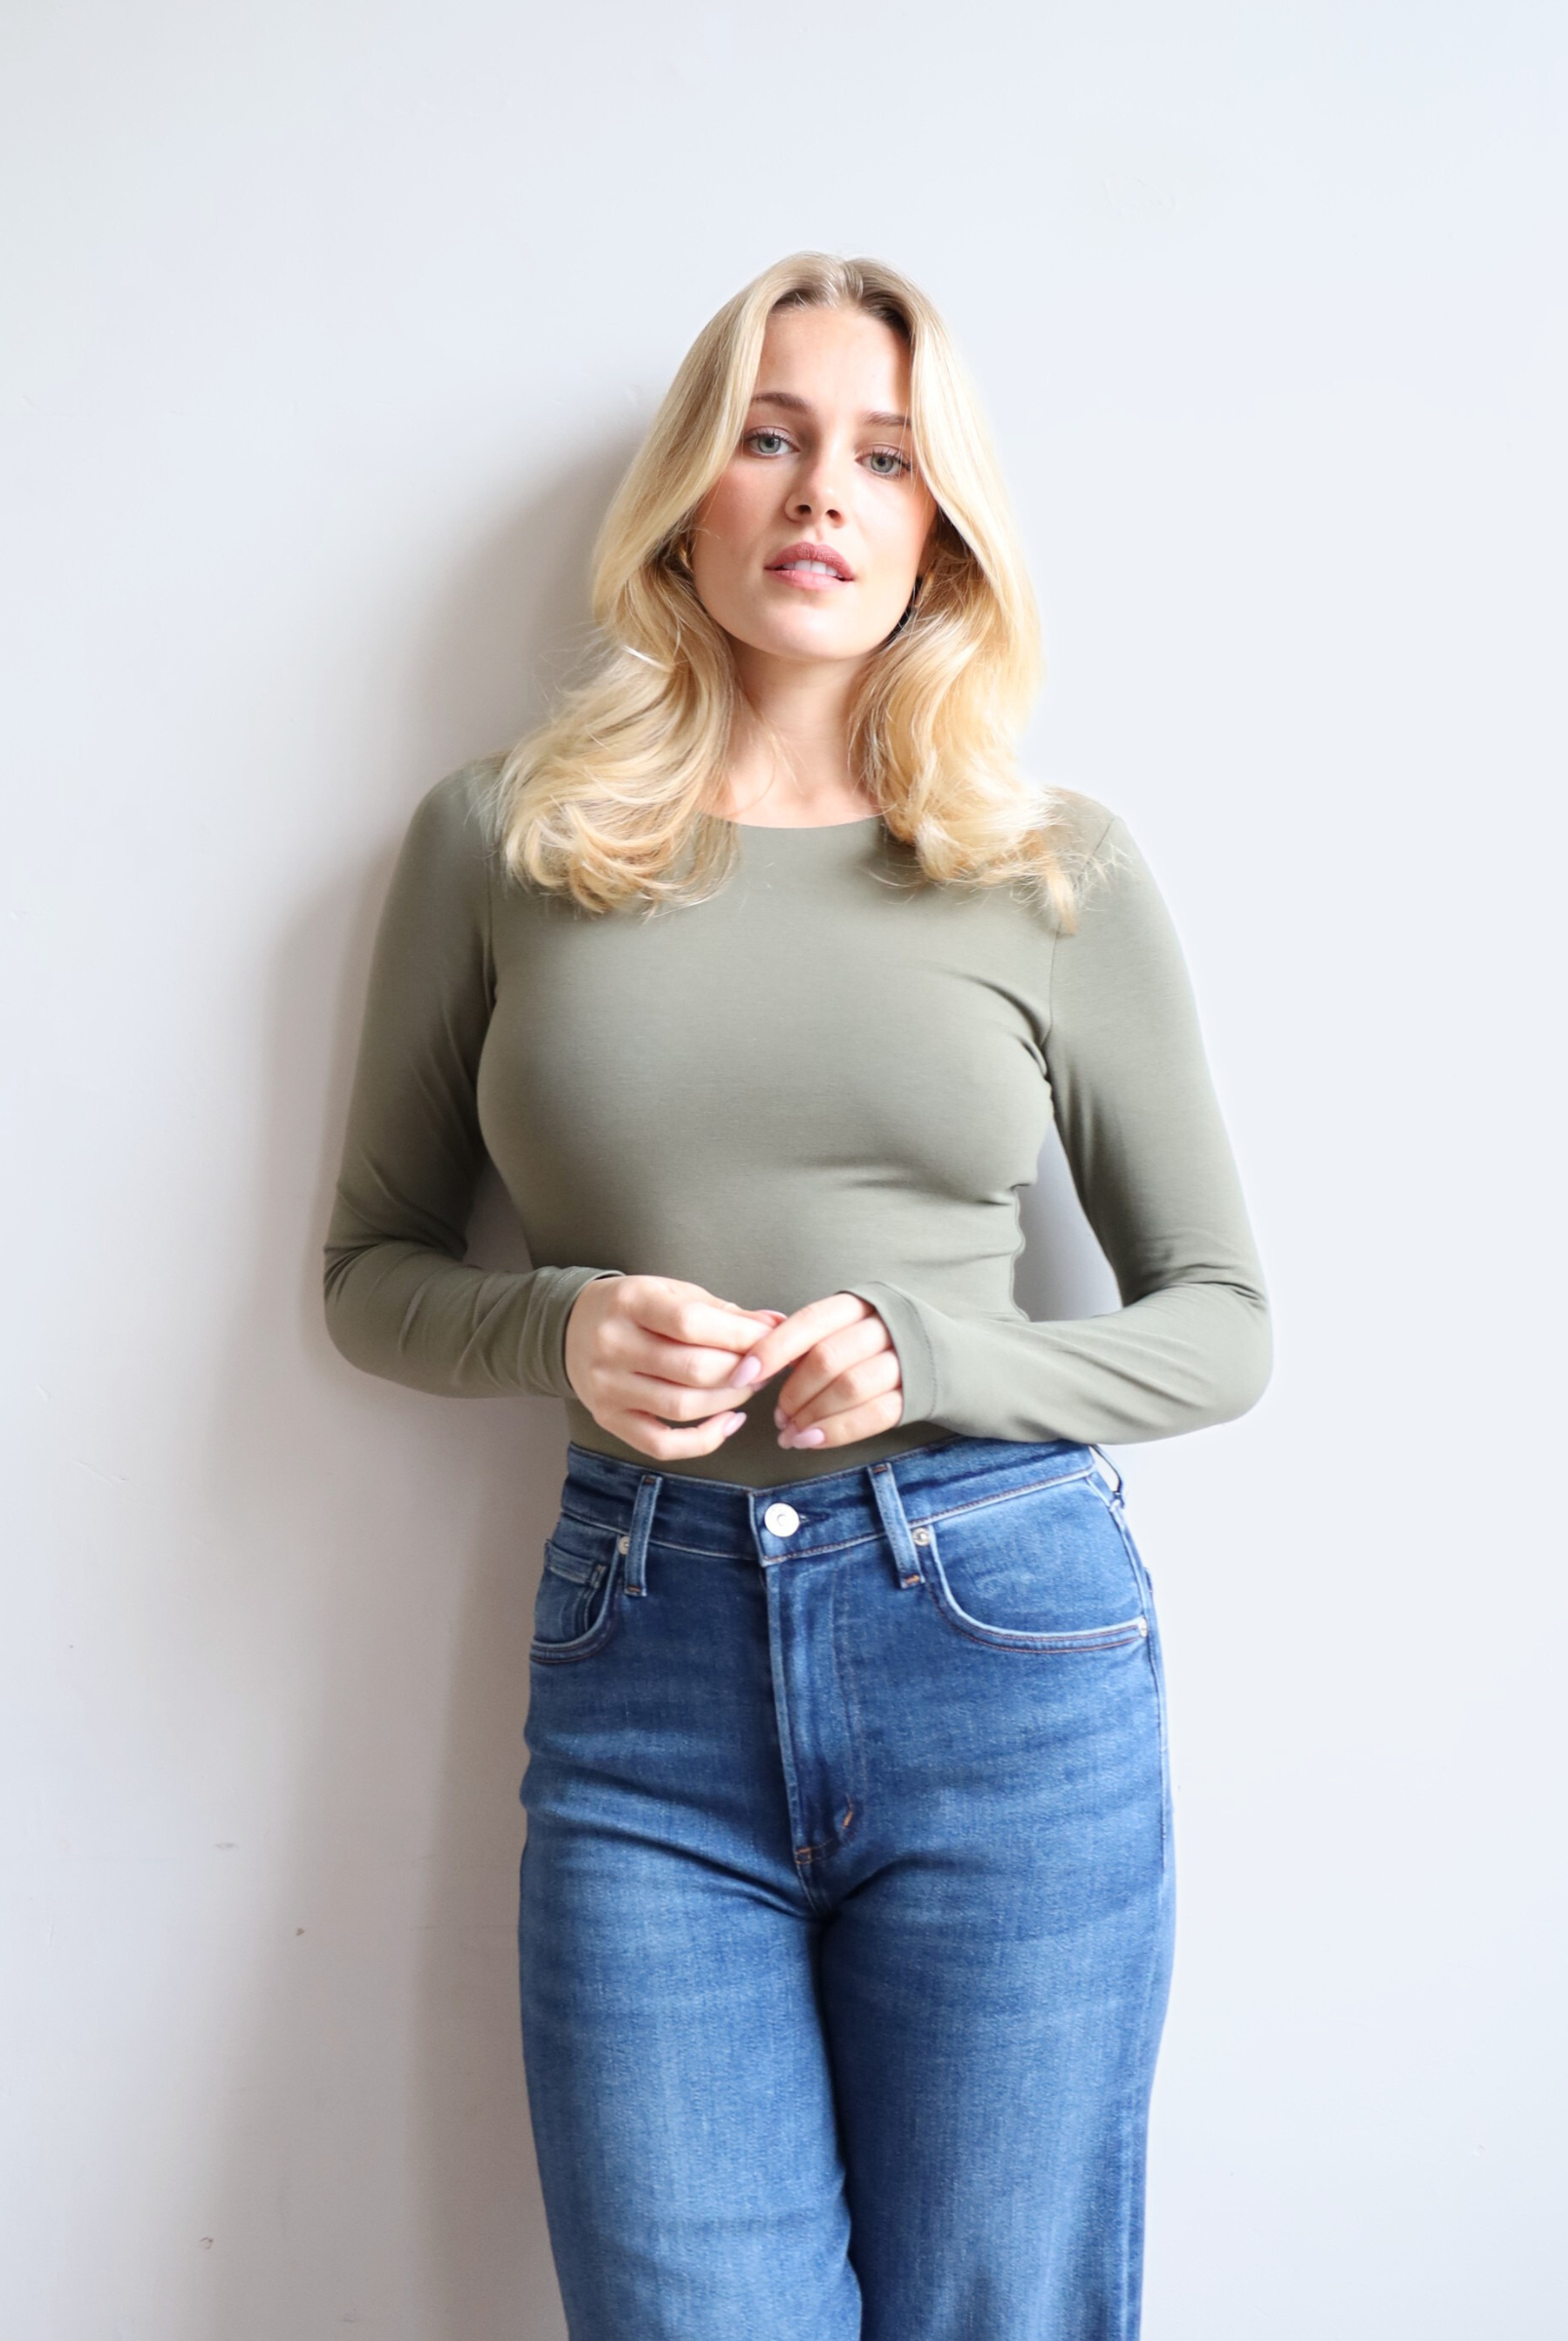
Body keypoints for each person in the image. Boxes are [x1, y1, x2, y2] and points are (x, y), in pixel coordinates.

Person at [323, 252, 1271, 2341]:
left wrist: (939, 1352)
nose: (824, 489)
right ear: (690, 493)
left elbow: (1222, 1322)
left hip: (1002, 1639)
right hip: (640, 1654)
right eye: (770, 435)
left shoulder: (1050, 866)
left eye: (887, 456)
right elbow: (370, 1269)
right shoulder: (506, 840)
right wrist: (555, 1324)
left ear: (943, 532)